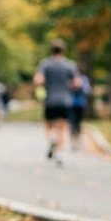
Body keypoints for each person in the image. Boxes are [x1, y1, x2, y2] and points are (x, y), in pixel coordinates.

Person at [33, 38, 81, 166]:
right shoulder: (70, 65)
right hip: (65, 101)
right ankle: (59, 154)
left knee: (49, 126)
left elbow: (38, 80)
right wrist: (68, 84)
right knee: (63, 128)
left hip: (50, 100)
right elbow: (77, 83)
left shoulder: (45, 64)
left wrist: (46, 84)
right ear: (63, 50)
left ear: (51, 50)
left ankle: (52, 139)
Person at [69, 67, 92, 150]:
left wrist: (80, 86)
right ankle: (73, 140)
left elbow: (87, 91)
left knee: (78, 122)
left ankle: (78, 138)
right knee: (72, 122)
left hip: (81, 104)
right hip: (70, 104)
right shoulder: (70, 80)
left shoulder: (84, 80)